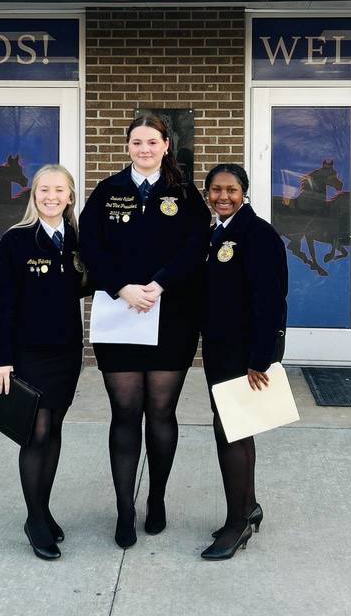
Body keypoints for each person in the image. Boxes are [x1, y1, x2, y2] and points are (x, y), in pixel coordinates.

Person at [79, 115, 210, 549]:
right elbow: (89, 246)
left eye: (152, 142)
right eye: (137, 142)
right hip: (119, 315)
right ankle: (124, 510)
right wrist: (121, 287)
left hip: (171, 315)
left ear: (166, 145)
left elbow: (198, 244)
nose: (144, 149)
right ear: (128, 147)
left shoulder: (186, 194)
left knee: (161, 414)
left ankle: (155, 499)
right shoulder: (107, 191)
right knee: (124, 414)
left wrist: (162, 282)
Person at [0, 164, 91, 561]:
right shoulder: (16, 241)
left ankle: (44, 509)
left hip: (66, 350)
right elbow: (1, 304)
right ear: (34, 195)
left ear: (70, 196)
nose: (51, 196)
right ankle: (34, 520)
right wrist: (2, 359)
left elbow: (99, 278)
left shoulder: (77, 240)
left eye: (59, 190)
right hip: (28, 352)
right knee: (36, 431)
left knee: (56, 428)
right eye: (43, 189)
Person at [200, 163, 288, 561]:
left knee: (233, 432)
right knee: (233, 427)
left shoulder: (257, 234)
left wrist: (260, 358)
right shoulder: (215, 231)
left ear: (244, 192)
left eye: (231, 190)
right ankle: (247, 506)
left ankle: (236, 525)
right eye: (216, 190)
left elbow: (270, 301)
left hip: (243, 352)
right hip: (219, 347)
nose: (223, 197)